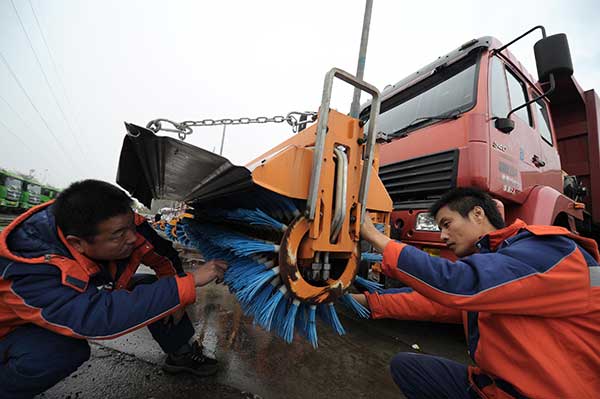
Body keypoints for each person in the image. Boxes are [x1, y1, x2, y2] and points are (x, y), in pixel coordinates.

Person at [357, 187, 600, 399]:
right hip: (499, 389)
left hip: (551, 393)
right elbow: (436, 303)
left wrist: (376, 237)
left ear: (477, 213)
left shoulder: (545, 248)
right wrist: (361, 301)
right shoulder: (499, 262)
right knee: (408, 368)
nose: (443, 236)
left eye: (447, 224)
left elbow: (456, 282)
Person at [0, 179, 228, 399]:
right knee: (61, 352)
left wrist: (177, 297)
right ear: (77, 243)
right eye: (119, 235)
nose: (132, 239)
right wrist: (188, 283)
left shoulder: (120, 225)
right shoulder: (27, 269)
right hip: (15, 331)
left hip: (77, 301)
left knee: (158, 289)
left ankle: (181, 355)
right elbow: (95, 318)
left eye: (131, 226)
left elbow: (164, 258)